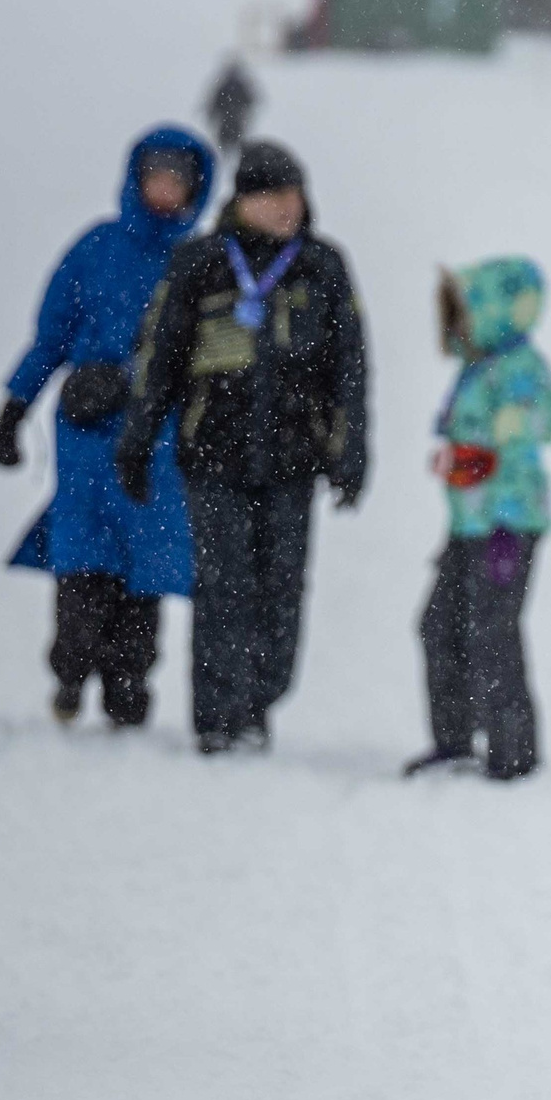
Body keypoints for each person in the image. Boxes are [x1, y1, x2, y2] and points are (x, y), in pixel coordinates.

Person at [117, 141, 369, 753]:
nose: (288, 207)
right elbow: (162, 357)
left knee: (281, 589)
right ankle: (218, 718)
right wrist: (138, 438)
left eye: (295, 194)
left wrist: (352, 448)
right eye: (273, 195)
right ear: (243, 201)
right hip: (215, 455)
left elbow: (352, 369)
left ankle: (261, 699)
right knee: (223, 586)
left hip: (293, 459)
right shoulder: (201, 262)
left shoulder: (323, 266)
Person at [0, 127, 213, 727]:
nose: (165, 190)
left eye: (178, 180)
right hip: (87, 433)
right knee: (83, 566)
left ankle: (130, 684)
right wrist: (14, 409)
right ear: (136, 178)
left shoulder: (199, 262)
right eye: (156, 176)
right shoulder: (96, 247)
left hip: (160, 440)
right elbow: (52, 334)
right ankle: (69, 671)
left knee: (145, 571)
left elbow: (211, 353)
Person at [404, 258, 551, 782]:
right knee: (439, 626)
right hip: (468, 523)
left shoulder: (521, 371)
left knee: (491, 631)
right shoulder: (479, 367)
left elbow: (524, 437)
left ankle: (512, 753)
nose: (457, 326)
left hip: (504, 526)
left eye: (466, 313)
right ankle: (453, 740)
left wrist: (469, 462)